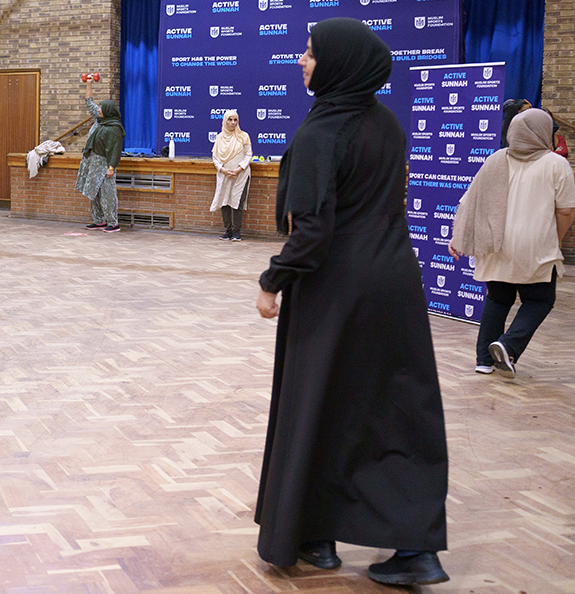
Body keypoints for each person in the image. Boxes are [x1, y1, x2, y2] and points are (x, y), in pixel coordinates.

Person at [253, 19, 450, 586]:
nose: (301, 60)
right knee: (394, 413)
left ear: (337, 63)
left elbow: (312, 230)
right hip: (395, 286)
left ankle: (312, 538)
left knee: (317, 405)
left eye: (311, 53)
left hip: (336, 290)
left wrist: (273, 279)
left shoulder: (321, 132)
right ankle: (415, 548)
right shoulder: (386, 124)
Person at [450, 108, 575, 378]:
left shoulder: (495, 159)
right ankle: (508, 345)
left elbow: (469, 200)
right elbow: (566, 210)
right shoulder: (556, 164)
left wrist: (457, 235)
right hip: (536, 244)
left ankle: (484, 360)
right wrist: (555, 240)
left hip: (495, 243)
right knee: (540, 300)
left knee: (498, 298)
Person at [76, 76, 124, 233]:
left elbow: (116, 149)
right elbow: (90, 103)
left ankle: (113, 223)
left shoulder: (114, 127)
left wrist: (111, 167)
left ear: (108, 112)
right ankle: (99, 221)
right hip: (93, 163)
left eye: (101, 108)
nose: (98, 109)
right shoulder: (100, 120)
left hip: (104, 164)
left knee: (107, 194)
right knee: (93, 192)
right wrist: (89, 84)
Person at [209, 110, 252, 241]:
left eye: (235, 120)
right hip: (225, 175)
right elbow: (215, 157)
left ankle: (236, 232)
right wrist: (223, 169)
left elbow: (248, 154)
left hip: (241, 175)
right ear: (225, 121)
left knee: (236, 202)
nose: (233, 123)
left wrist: (239, 169)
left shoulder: (243, 136)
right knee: (225, 202)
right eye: (230, 120)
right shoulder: (219, 138)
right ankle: (227, 231)